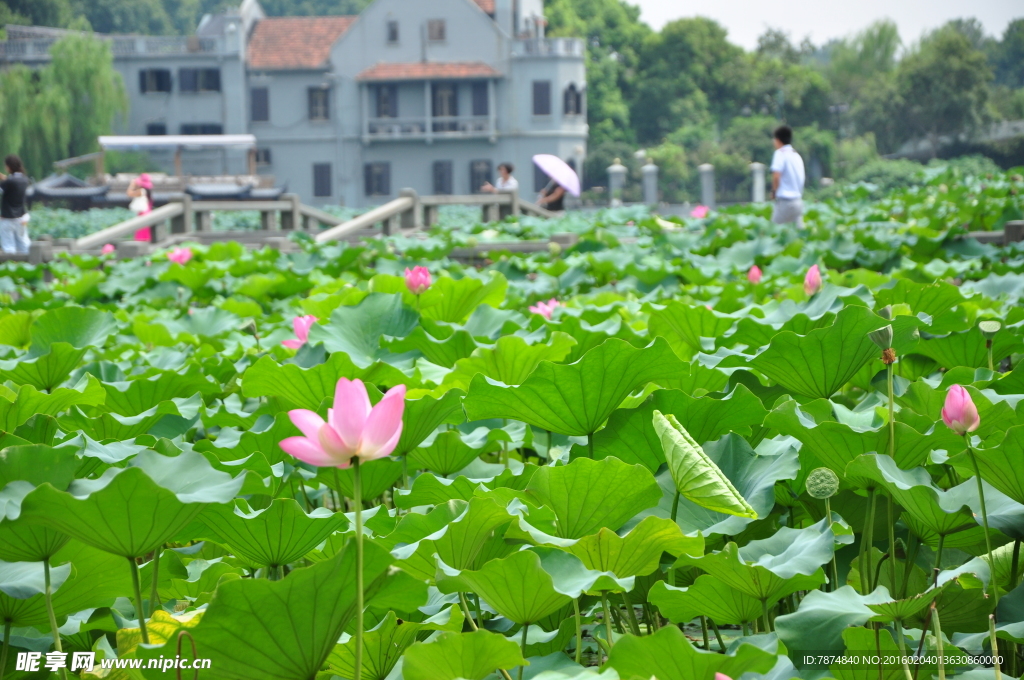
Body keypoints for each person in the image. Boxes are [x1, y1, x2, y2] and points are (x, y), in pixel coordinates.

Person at [770, 125, 806, 228]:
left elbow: (776, 176)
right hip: (798, 202)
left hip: (785, 202)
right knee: (799, 237)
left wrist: (773, 192)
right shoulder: (796, 155)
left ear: (778, 140)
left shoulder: (780, 153)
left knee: (773, 233)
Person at [0, 154, 30, 254]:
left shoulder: (9, 182)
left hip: (7, 218)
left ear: (9, 166)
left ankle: (11, 268)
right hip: (21, 218)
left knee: (9, 246)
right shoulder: (25, 180)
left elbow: (6, 186)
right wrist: (4, 178)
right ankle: (31, 266)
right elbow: (12, 183)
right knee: (24, 244)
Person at [127, 173, 154, 241]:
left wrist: (132, 185)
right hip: (147, 212)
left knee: (141, 232)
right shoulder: (147, 191)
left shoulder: (142, 191)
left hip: (143, 213)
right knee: (146, 233)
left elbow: (129, 193)